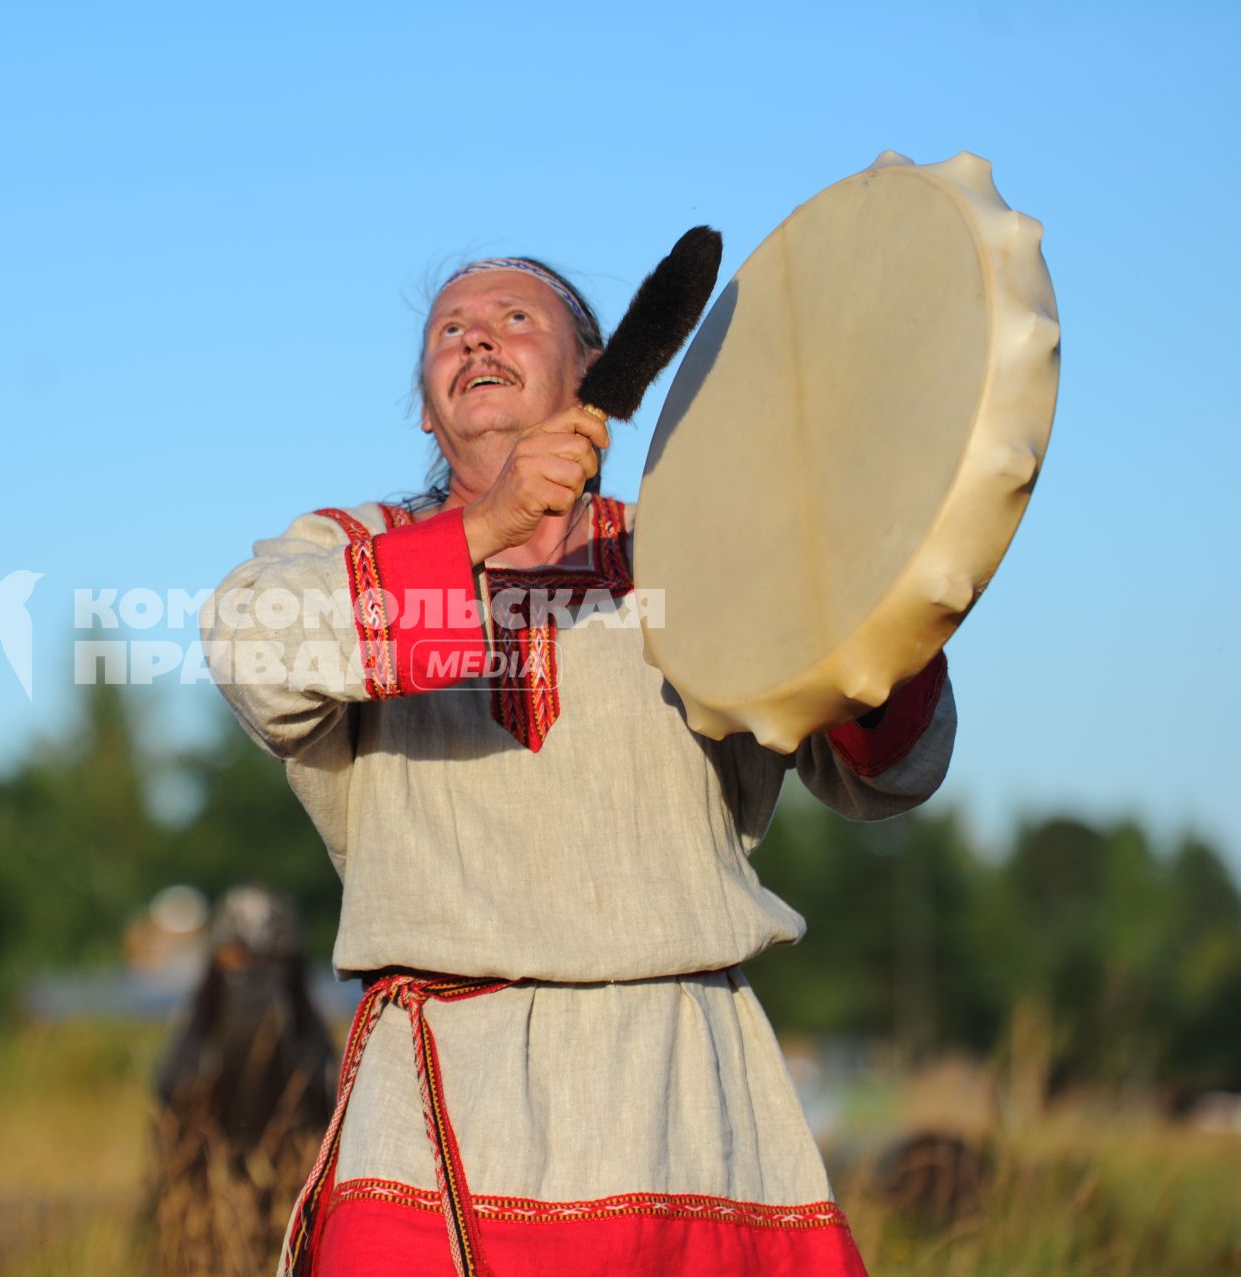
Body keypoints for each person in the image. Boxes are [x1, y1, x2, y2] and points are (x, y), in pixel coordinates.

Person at [199, 256, 952, 1276]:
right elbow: (249, 645)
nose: (475, 339)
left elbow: (890, 769)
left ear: (597, 373)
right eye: (448, 331)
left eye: (515, 318)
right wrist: (485, 526)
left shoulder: (691, 555)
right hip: (441, 1103)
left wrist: (862, 569)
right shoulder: (354, 546)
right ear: (426, 412)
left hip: (685, 1095)